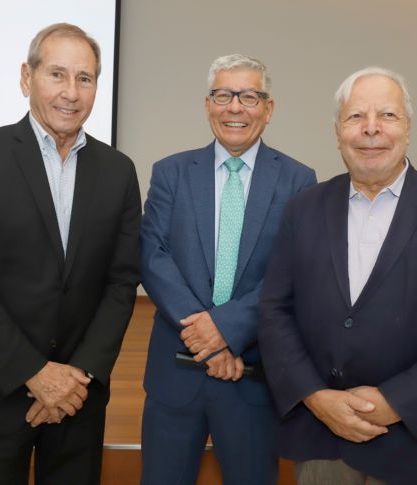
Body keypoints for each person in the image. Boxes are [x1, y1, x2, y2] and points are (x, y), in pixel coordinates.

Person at [257, 66, 417, 485]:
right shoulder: (303, 209)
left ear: (407, 128)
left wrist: (399, 401)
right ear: (337, 131)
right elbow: (275, 309)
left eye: (387, 115)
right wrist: (316, 398)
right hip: (323, 437)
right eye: (356, 117)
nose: (371, 129)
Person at [0, 23, 141, 485]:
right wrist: (34, 373)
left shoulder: (118, 171)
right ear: (27, 78)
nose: (71, 92)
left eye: (84, 78)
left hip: (78, 398)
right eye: (57, 75)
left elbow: (121, 283)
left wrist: (77, 376)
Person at [139, 53, 317, 484]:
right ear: (207, 104)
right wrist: (209, 338)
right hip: (176, 372)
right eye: (223, 94)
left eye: (249, 96)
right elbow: (151, 254)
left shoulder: (298, 181)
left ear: (268, 108)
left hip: (252, 375)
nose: (234, 107)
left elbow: (293, 272)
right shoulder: (172, 172)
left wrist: (228, 331)